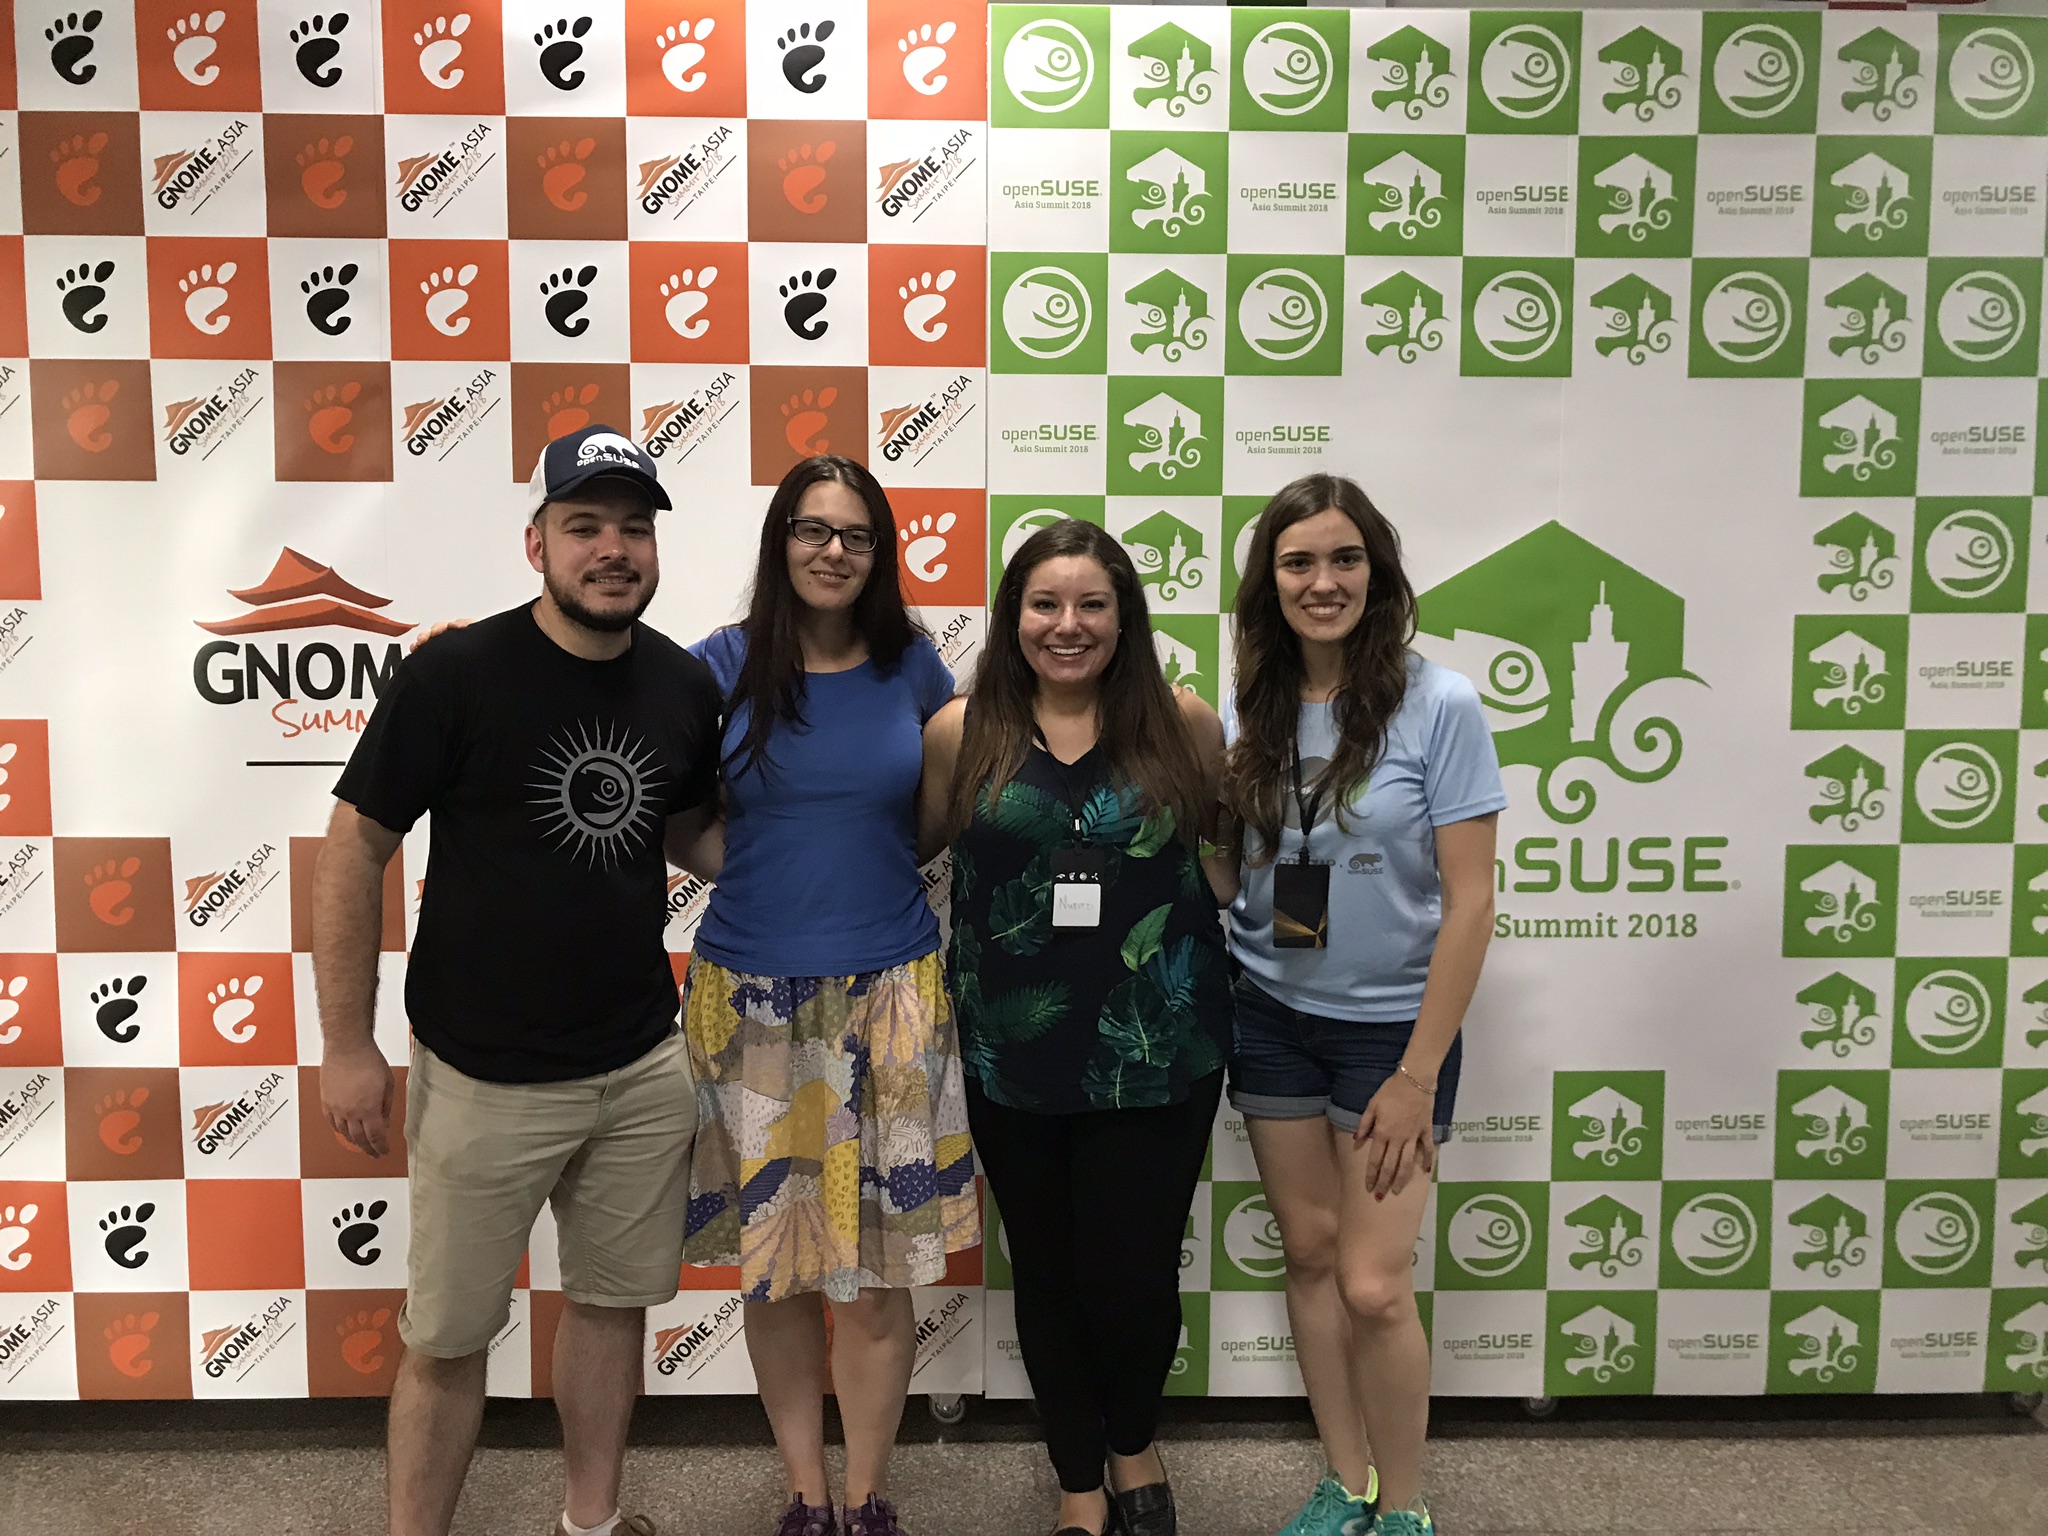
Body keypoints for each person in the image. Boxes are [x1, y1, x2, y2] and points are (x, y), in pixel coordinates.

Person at [314, 426, 725, 1536]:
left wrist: (840, 865)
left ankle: (590, 1523)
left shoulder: (682, 682)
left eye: (633, 528)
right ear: (536, 542)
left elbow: (691, 829)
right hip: (480, 1070)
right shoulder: (456, 672)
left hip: (639, 1062)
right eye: (584, 526)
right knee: (445, 1338)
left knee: (607, 1309)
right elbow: (353, 846)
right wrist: (345, 1044)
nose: (612, 550)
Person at [682, 454, 978, 1536]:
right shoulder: (716, 666)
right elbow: (675, 816)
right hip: (749, 997)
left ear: (878, 551)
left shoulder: (914, 670)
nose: (833, 551)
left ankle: (866, 1500)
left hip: (893, 992)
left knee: (883, 1272)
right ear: (780, 542)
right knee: (780, 1270)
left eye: (855, 534)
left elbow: (935, 815)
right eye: (812, 530)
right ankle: (804, 1495)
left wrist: (853, 882)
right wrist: (765, 879)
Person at [919, 518, 1232, 1536]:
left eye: (1091, 603)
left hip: (1159, 1050)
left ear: (1123, 616)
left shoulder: (1180, 722)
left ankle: (1134, 1444)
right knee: (1047, 1274)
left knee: (1133, 1275)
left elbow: (1227, 861)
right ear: (1013, 619)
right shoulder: (961, 733)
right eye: (1044, 604)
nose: (1067, 624)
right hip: (1017, 1054)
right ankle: (1076, 1480)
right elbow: (910, 847)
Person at [1218, 475, 1504, 1536]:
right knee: (1306, 1255)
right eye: (1297, 562)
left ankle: (1406, 1509)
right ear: (1269, 583)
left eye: (1343, 559)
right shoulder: (1251, 699)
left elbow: (1470, 901)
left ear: (1375, 573)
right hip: (1269, 1011)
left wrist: (1415, 1072)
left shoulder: (1442, 704)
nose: (1321, 581)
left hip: (1393, 1032)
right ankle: (1345, 1483)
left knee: (1373, 1284)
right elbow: (1246, 862)